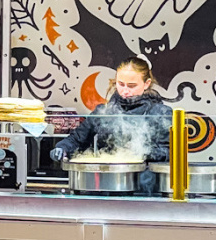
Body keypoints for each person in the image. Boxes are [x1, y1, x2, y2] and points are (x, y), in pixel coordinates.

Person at [49, 56, 172, 195]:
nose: (125, 91)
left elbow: (168, 153)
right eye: (121, 84)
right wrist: (62, 148)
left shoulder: (160, 114)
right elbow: (77, 139)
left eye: (132, 86)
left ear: (146, 83)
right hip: (105, 186)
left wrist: (140, 152)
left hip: (144, 190)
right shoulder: (104, 112)